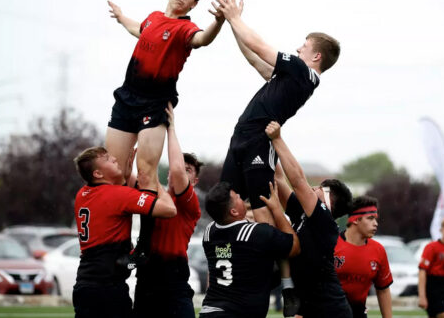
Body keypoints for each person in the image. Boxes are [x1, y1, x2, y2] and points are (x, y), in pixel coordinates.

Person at [214, 0, 340, 226]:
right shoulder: (294, 77)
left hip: (259, 140)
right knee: (225, 200)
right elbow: (255, 59)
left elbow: (259, 46)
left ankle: (265, 260)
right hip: (242, 135)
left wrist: (235, 17)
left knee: (260, 206)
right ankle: (232, 251)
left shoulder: (302, 71)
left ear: (317, 55)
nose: (298, 48)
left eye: (304, 46)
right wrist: (230, 23)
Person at [106, 0, 225, 192]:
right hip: (125, 98)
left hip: (155, 104)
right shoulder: (153, 17)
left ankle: (148, 226)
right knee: (113, 173)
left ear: (194, 4)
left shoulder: (185, 29)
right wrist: (122, 17)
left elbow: (202, 40)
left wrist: (218, 21)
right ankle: (116, 225)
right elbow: (140, 30)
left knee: (145, 175)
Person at [71, 146, 176, 318]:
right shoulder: (119, 195)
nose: (113, 158)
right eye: (106, 159)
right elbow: (169, 209)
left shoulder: (82, 194)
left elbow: (109, 201)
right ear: (97, 174)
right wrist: (152, 181)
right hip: (107, 288)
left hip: (85, 285)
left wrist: (125, 176)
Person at [266, 120, 353, 318]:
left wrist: (277, 138)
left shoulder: (325, 222)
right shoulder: (303, 213)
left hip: (331, 311)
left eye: (320, 189)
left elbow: (297, 180)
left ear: (329, 202)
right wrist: (266, 144)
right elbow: (279, 179)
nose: (313, 189)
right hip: (308, 307)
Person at [132, 103, 202, 317]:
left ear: (195, 180)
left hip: (174, 279)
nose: (179, 169)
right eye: (180, 166)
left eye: (189, 169)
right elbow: (127, 178)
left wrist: (171, 128)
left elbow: (177, 170)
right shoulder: (155, 194)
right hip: (146, 277)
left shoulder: (190, 204)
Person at [199, 181, 300, 318]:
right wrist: (276, 209)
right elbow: (294, 247)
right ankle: (287, 286)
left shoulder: (209, 232)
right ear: (233, 211)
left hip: (209, 311)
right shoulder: (255, 234)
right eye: (237, 198)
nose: (240, 196)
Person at [334, 195, 393, 318]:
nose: (375, 224)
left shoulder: (378, 250)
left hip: (358, 312)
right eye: (370, 218)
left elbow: (383, 290)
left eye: (376, 219)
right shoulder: (331, 245)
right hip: (329, 311)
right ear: (356, 219)